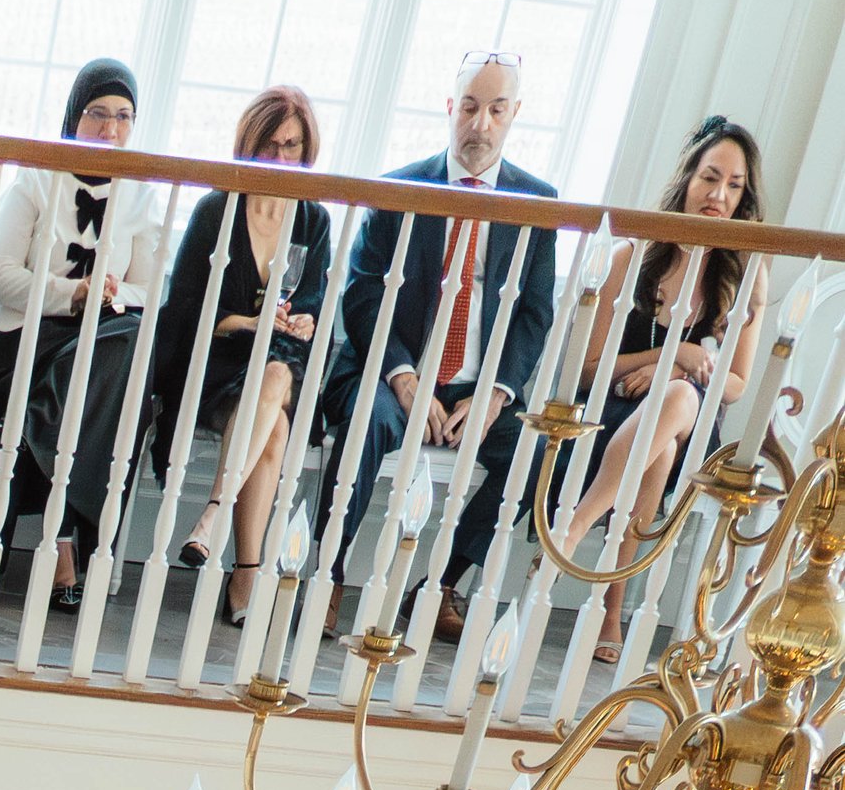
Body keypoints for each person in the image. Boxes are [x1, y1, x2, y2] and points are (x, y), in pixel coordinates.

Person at [324, 49, 556, 638]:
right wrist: (404, 378)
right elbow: (361, 296)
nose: (480, 124)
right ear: (451, 108)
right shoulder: (400, 189)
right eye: (471, 107)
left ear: (514, 114)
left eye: (496, 110)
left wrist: (496, 396)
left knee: (534, 455)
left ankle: (440, 582)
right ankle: (327, 573)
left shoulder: (539, 203)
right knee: (364, 424)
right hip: (391, 372)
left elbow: (534, 314)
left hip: (477, 387)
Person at [0, 58, 162, 598]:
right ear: (73, 116)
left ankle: (27, 441)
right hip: (24, 344)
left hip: (97, 346)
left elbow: (150, 292)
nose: (110, 130)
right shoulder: (38, 178)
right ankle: (61, 540)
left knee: (126, 341)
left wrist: (109, 295)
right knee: (93, 368)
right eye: (97, 114)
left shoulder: (141, 194)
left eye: (123, 116)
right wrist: (74, 294)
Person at [550, 117, 763, 659]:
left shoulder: (744, 274)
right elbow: (589, 369)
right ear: (687, 179)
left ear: (744, 197)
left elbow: (734, 384)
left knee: (679, 401)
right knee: (659, 450)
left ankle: (574, 528)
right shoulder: (635, 257)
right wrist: (672, 355)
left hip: (696, 416)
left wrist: (676, 368)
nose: (718, 195)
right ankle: (611, 613)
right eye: (710, 177)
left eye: (734, 186)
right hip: (616, 416)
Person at [153, 86, 329, 618]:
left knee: (276, 375)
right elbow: (182, 308)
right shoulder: (217, 210)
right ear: (250, 145)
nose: (280, 159)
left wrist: (305, 318)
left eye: (291, 146)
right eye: (270, 146)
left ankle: (213, 517)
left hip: (282, 359)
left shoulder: (314, 219)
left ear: (307, 149)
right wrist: (249, 321)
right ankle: (248, 572)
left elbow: (316, 302)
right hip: (219, 357)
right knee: (272, 425)